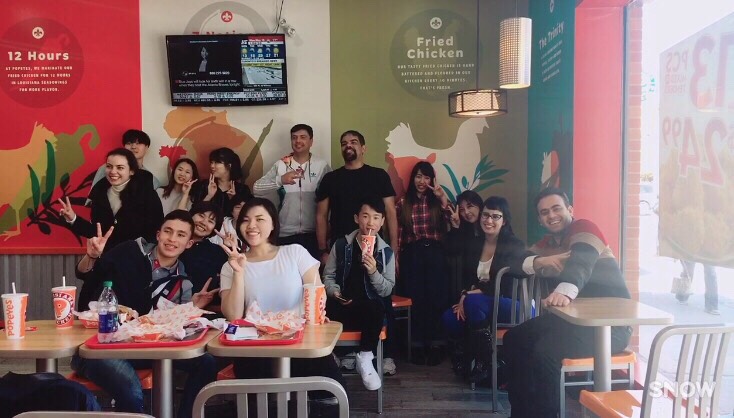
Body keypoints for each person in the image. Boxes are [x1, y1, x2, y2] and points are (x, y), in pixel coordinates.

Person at [70, 211, 219, 418]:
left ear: (189, 243)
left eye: (180, 235)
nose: (172, 239)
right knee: (131, 388)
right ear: (158, 234)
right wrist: (92, 256)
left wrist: (191, 308)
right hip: (101, 348)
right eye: (168, 231)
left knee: (206, 362)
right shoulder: (129, 252)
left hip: (146, 350)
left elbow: (175, 328)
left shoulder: (182, 282)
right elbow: (87, 275)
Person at [504, 187, 632, 418]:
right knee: (514, 338)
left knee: (545, 353)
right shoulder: (548, 244)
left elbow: (582, 260)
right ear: (540, 219)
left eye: (556, 208)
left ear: (570, 210)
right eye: (544, 212)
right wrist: (540, 261)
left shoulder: (585, 228)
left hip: (611, 328)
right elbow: (515, 262)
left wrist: (565, 290)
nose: (551, 215)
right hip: (571, 323)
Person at [218, 198, 344, 387]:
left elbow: (317, 293)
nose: (251, 225)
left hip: (300, 344)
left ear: (273, 225)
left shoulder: (295, 253)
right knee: (259, 393)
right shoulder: (231, 266)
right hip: (255, 350)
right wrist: (238, 272)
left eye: (259, 219)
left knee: (331, 390)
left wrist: (317, 316)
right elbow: (233, 316)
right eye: (245, 220)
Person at [60, 148, 164, 309]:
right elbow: (97, 232)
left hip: (134, 267)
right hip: (105, 263)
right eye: (109, 166)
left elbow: (156, 231)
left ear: (131, 171)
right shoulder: (100, 191)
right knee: (91, 309)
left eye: (120, 167)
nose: (113, 172)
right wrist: (73, 218)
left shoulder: (147, 194)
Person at [323, 197, 396, 390]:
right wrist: (335, 293)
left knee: (377, 307)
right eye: (365, 216)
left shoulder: (386, 252)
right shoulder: (341, 245)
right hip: (342, 305)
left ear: (382, 222)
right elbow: (328, 277)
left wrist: (373, 271)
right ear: (356, 218)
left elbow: (387, 289)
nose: (370, 222)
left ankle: (365, 357)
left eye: (376, 217)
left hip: (368, 311)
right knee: (323, 305)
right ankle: (331, 358)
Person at [395, 161, 451, 365]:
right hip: (412, 253)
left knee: (436, 298)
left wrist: (442, 198)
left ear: (432, 180)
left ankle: (436, 345)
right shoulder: (403, 202)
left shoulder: (436, 201)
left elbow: (453, 221)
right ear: (413, 179)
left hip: (435, 252)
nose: (422, 181)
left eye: (426, 177)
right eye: (418, 176)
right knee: (415, 298)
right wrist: (396, 257)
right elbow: (399, 233)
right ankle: (416, 345)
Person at [316, 130, 397, 266]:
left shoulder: (379, 176)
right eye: (344, 144)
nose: (348, 145)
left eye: (353, 142)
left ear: (363, 148)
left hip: (373, 250)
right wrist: (323, 251)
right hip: (340, 249)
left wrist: (393, 249)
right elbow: (321, 215)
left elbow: (391, 212)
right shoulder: (330, 179)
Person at [253, 124, 331, 259]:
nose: (298, 141)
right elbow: (256, 189)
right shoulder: (281, 164)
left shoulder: (321, 166)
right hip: (285, 234)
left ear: (311, 141)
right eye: (294, 138)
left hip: (314, 235)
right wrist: (280, 180)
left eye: (303, 137)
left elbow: (332, 199)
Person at [179, 202, 228, 299]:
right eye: (201, 216)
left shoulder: (217, 252)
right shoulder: (173, 241)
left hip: (199, 304)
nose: (204, 222)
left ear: (215, 228)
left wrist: (230, 248)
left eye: (211, 221)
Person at [190, 147, 252, 217]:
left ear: (229, 165)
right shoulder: (204, 185)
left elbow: (247, 215)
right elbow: (194, 212)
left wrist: (234, 200)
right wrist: (209, 196)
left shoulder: (242, 190)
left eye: (217, 162)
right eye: (211, 162)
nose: (212, 166)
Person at [444, 190, 484, 297]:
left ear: (479, 206)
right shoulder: (463, 228)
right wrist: (455, 227)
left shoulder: (489, 226)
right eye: (462, 210)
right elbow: (452, 251)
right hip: (467, 284)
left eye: (470, 206)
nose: (466, 212)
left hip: (488, 283)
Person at [90, 129, 159, 190]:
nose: (133, 147)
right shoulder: (108, 168)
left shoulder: (151, 178)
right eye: (129, 143)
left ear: (146, 147)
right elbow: (93, 195)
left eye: (138, 143)